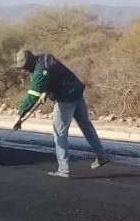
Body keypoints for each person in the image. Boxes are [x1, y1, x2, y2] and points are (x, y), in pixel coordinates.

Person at [13, 49, 108, 178]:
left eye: (24, 66)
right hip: (76, 90)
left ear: (29, 62)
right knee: (86, 125)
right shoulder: (45, 58)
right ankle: (101, 155)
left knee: (59, 133)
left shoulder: (40, 72)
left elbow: (32, 96)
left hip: (65, 98)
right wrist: (46, 91)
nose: (24, 69)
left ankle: (63, 170)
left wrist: (20, 115)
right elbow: (55, 75)